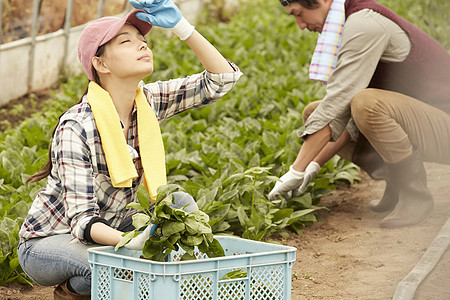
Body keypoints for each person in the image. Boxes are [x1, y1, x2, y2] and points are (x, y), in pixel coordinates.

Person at [17, 0, 242, 298]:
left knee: (178, 202)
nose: (142, 47)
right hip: (50, 241)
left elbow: (221, 80)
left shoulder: (147, 101)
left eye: (144, 41)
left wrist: (182, 28)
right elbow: (83, 221)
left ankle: (78, 289)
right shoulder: (76, 127)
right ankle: (101, 279)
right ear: (101, 64)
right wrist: (133, 243)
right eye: (126, 41)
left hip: (110, 224)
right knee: (114, 264)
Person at [269, 0, 450, 228]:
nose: (301, 25)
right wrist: (313, 165)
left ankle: (415, 196)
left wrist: (295, 170)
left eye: (299, 13)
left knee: (366, 104)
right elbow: (346, 114)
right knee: (316, 111)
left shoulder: (364, 23)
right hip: (423, 121)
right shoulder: (350, 20)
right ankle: (396, 184)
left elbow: (339, 103)